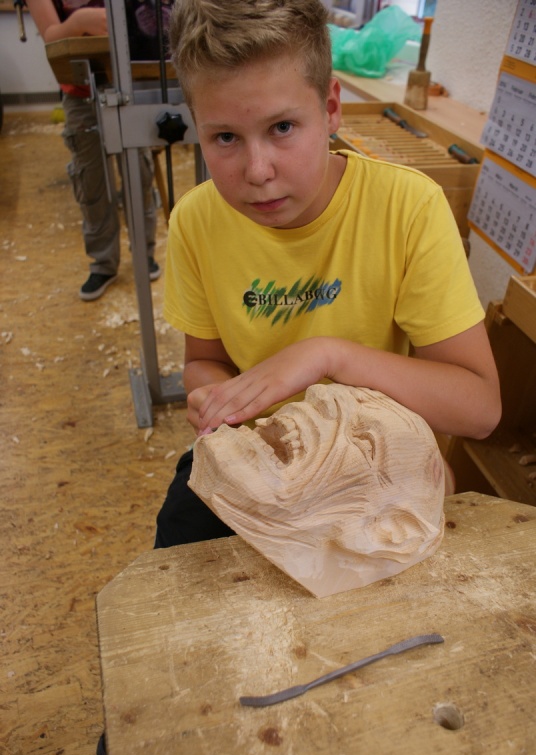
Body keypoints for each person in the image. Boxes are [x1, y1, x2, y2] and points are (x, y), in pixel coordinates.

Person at [155, 0, 501, 549]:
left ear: (332, 107)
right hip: (260, 456)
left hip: (374, 464)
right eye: (225, 138)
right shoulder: (196, 220)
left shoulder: (407, 208)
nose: (258, 171)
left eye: (282, 127)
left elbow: (479, 409)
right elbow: (202, 361)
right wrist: (216, 397)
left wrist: (328, 356)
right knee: (181, 551)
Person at [26, 0, 161, 301]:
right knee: (92, 181)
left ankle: (145, 252)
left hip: (127, 84)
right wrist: (76, 24)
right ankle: (103, 262)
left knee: (138, 173)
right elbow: (50, 35)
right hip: (80, 92)